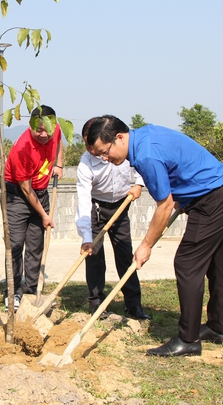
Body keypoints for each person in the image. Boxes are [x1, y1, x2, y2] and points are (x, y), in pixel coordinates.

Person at [87, 115, 223, 357]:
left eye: (104, 152)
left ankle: (188, 340)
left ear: (119, 138)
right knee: (216, 264)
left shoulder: (145, 156)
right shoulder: (144, 136)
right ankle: (217, 327)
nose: (105, 158)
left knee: (187, 264)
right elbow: (176, 166)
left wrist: (145, 245)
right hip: (222, 194)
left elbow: (164, 205)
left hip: (212, 202)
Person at [75, 117, 150, 321]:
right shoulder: (86, 162)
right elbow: (83, 198)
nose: (92, 149)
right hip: (96, 208)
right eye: (87, 144)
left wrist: (139, 184)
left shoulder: (121, 149)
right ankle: (97, 303)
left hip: (121, 206)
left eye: (94, 144)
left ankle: (134, 305)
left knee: (126, 256)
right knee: (94, 256)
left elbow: (143, 163)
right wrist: (86, 236)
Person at [3, 105, 64, 310]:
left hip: (40, 192)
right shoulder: (23, 148)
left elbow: (59, 142)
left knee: (35, 245)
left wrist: (59, 165)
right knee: (16, 244)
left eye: (48, 129)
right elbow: (26, 190)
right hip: (17, 196)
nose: (44, 134)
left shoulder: (54, 130)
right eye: (39, 130)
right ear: (31, 125)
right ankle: (13, 293)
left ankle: (30, 290)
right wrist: (44, 215)